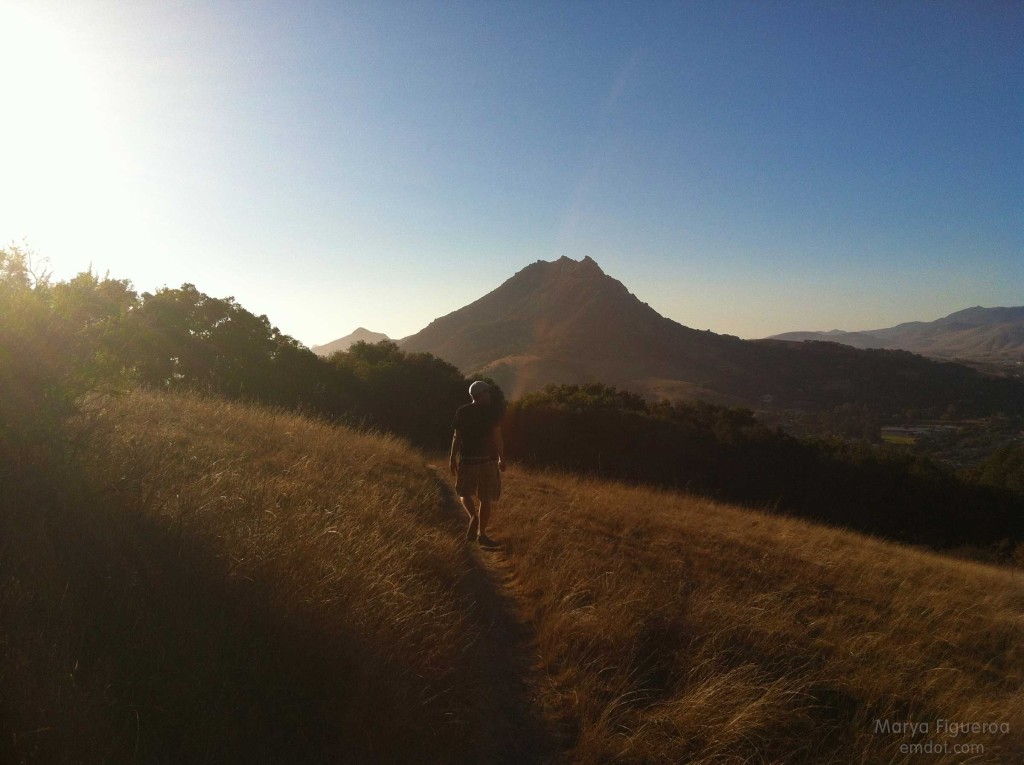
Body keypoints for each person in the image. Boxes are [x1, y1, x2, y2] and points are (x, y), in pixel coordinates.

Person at [449, 380, 506, 546]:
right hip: (488, 461)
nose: (489, 395)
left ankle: (472, 516)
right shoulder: (492, 412)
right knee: (485, 498)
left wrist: (452, 457)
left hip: (468, 461)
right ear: (481, 394)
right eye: (487, 392)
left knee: (463, 493)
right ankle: (482, 535)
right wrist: (502, 457)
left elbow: (456, 437)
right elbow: (497, 437)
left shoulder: (462, 412)